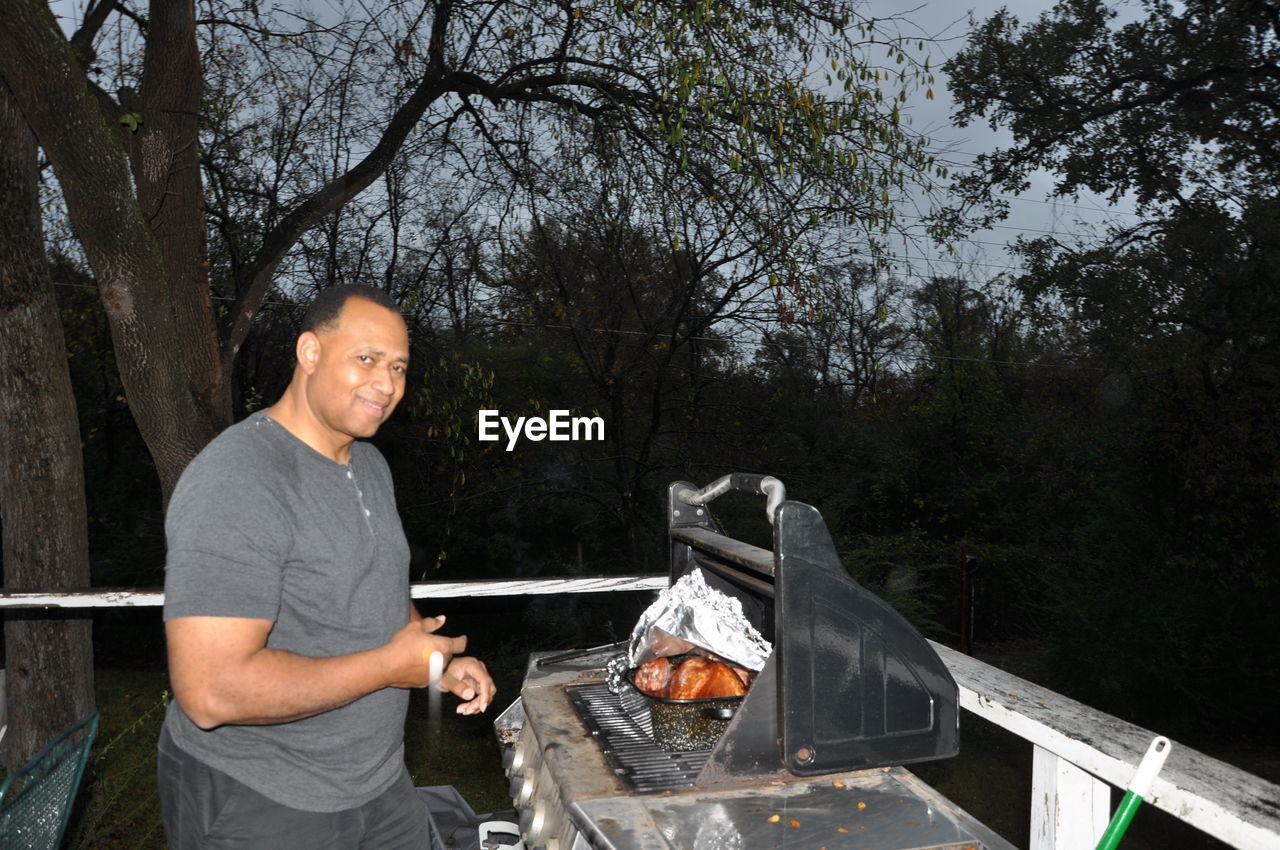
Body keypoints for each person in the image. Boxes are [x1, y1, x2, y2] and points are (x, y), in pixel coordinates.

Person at [157, 284, 495, 849]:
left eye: (399, 367)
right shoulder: (238, 481)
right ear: (310, 353)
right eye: (366, 359)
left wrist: (432, 663)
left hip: (378, 783)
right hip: (262, 797)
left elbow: (371, 590)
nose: (386, 384)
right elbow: (211, 691)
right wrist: (390, 668)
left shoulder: (367, 463)